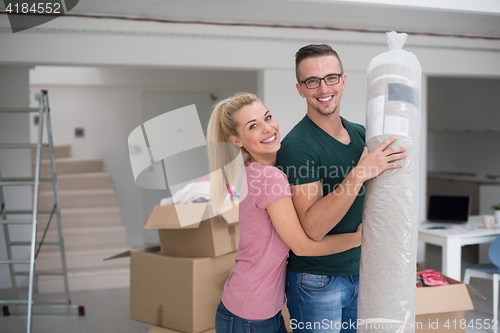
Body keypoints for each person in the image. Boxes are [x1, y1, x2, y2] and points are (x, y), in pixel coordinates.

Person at [275, 44, 407, 332]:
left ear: (343, 81)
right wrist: (359, 173)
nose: (323, 88)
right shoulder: (297, 146)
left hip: (360, 273)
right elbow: (313, 227)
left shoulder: (362, 135)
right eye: (312, 81)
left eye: (331, 77)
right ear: (300, 89)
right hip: (317, 281)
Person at [207, 93, 363, 333]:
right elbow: (303, 246)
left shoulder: (255, 171)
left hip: (255, 308)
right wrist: (359, 238)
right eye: (253, 126)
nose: (268, 128)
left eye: (267, 117)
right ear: (237, 140)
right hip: (249, 315)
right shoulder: (269, 178)